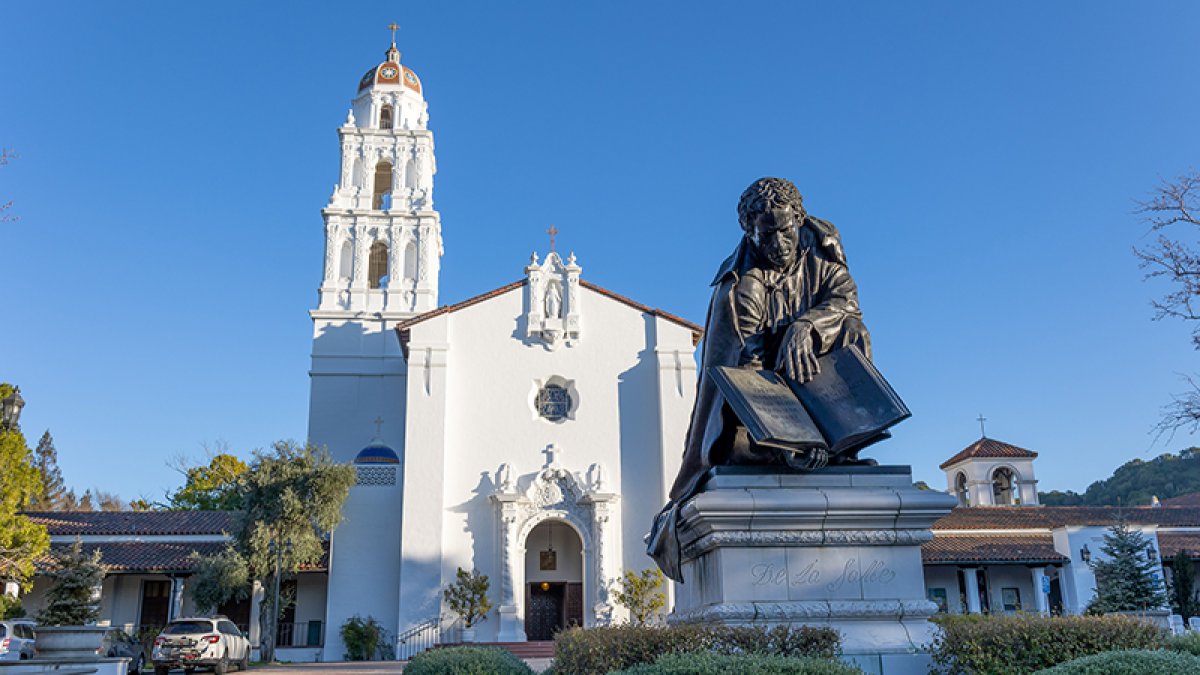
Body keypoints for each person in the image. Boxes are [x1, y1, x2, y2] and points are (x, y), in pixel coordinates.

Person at [648, 177, 874, 581]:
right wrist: (792, 444)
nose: (780, 244)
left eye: (786, 231)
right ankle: (793, 450)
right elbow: (747, 377)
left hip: (813, 378)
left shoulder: (822, 250)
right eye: (767, 235)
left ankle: (842, 442)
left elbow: (846, 300)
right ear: (749, 231)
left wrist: (806, 325)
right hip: (759, 408)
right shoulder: (741, 291)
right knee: (745, 438)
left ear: (799, 219)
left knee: (852, 329)